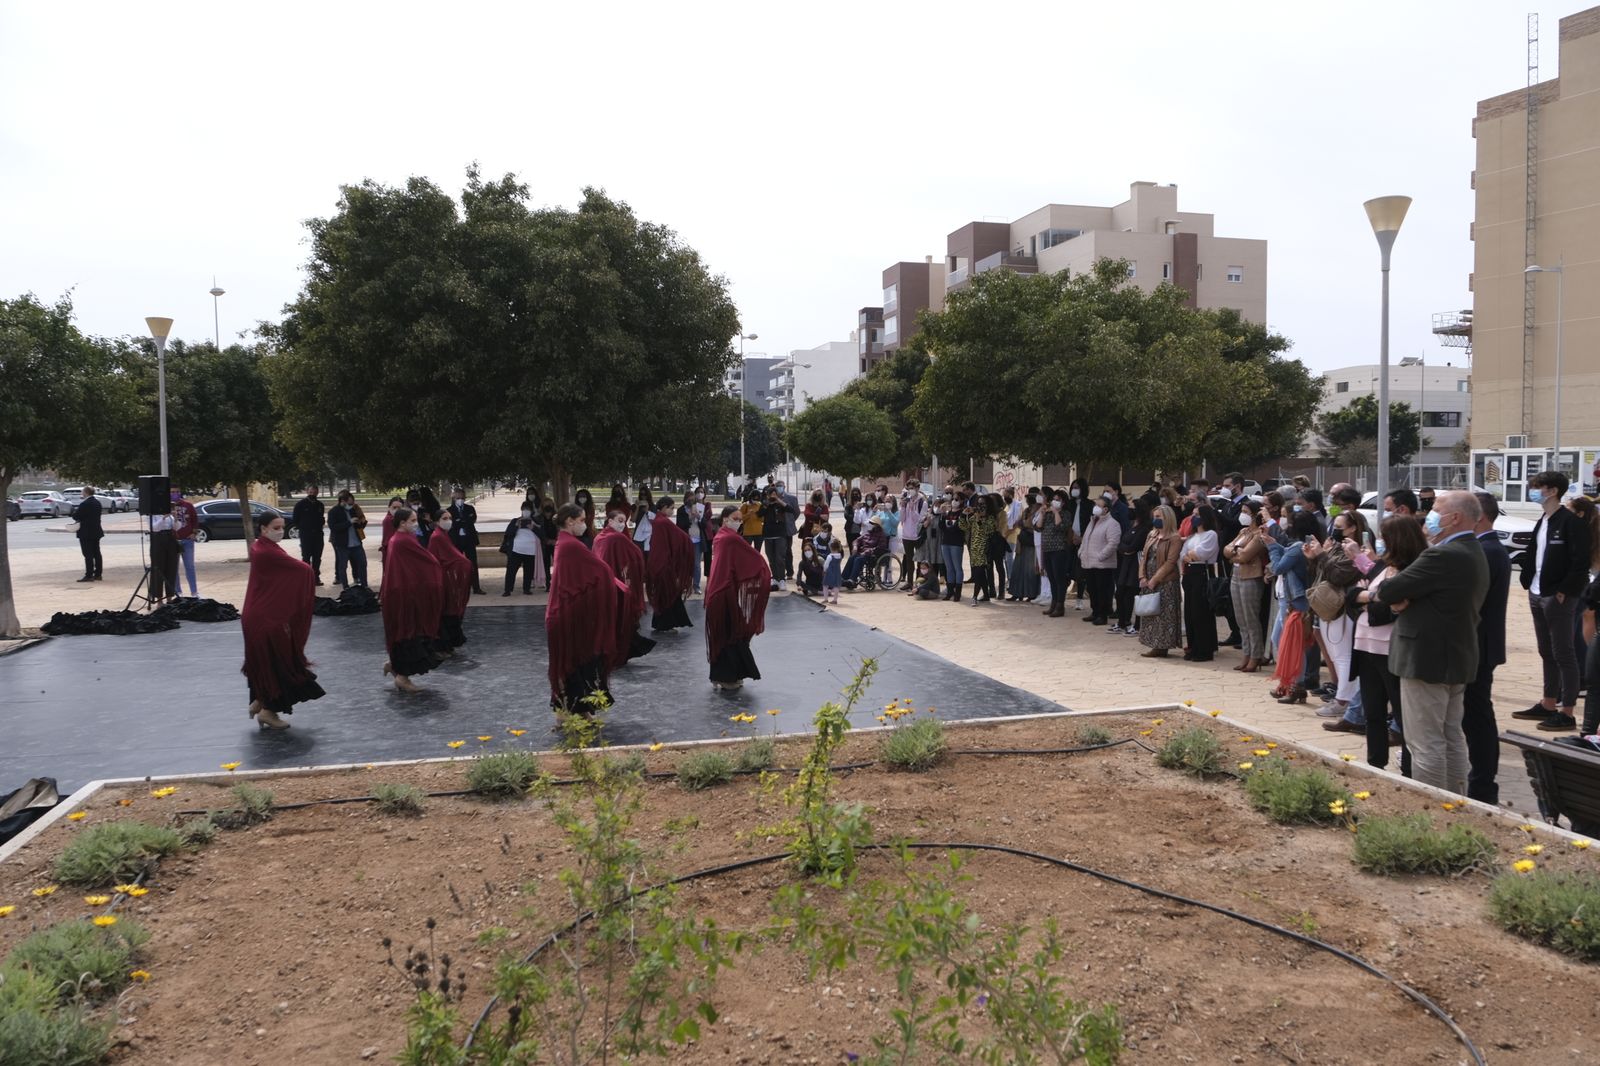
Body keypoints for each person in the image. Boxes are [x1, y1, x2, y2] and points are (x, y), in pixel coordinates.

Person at [1375, 491, 1489, 793]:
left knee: (1425, 743)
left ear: (1455, 518)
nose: (1429, 516)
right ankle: (1456, 803)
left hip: (1426, 658)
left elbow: (1389, 590)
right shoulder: (1472, 550)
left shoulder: (1443, 554)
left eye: (1437, 510)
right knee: (1451, 737)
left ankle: (1432, 813)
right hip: (1453, 656)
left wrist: (1400, 595)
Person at [1510, 469, 1592, 732]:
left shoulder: (1570, 522)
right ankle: (1548, 703)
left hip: (1558, 597)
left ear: (1553, 490)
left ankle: (1566, 711)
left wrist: (1564, 591)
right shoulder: (1543, 520)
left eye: (1537, 487)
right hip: (1537, 593)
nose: (1533, 491)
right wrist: (1527, 581)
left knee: (1563, 653)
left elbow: (1580, 563)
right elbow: (1535, 554)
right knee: (1547, 652)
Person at [1350, 515, 1422, 772]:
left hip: (1391, 648)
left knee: (1404, 715)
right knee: (1373, 712)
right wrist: (1371, 597)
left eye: (1385, 537)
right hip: (1366, 646)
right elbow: (1351, 596)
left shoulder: (1412, 568)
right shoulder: (1383, 566)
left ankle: (1410, 767)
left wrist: (1366, 597)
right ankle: (1375, 762)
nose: (1379, 542)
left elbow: (1391, 608)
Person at [240, 513, 324, 730]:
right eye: (276, 527)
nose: (281, 531)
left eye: (282, 527)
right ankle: (267, 710)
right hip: (264, 619)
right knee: (280, 664)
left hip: (260, 616)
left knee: (271, 663)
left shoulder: (261, 547)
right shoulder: (266, 552)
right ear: (263, 528)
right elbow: (304, 570)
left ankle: (261, 702)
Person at [545, 504, 624, 713]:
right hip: (570, 619)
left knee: (571, 667)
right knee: (577, 666)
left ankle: (567, 712)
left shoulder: (565, 543)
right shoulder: (571, 545)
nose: (584, 524)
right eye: (581, 520)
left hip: (563, 615)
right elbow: (602, 573)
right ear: (570, 521)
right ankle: (575, 712)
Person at [1461, 493, 1510, 800]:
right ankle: (1480, 776)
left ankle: (1483, 783)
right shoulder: (1485, 548)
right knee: (1475, 714)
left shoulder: (1487, 550)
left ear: (1477, 517)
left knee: (1478, 715)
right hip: (1477, 644)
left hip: (1479, 645)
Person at [704, 505, 772, 691]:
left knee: (726, 636)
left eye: (740, 519)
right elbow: (755, 560)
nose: (738, 522)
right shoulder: (730, 539)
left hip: (719, 593)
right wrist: (764, 574)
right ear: (725, 519)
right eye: (735, 518)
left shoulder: (720, 537)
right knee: (730, 637)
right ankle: (726, 678)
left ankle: (724, 676)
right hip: (723, 594)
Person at [381, 507, 444, 693]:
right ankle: (402, 677)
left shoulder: (400, 539)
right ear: (402, 523)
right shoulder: (402, 541)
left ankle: (395, 665)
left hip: (401, 595)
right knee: (409, 634)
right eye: (413, 521)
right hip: (405, 597)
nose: (416, 524)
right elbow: (428, 562)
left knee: (405, 633)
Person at [593, 509, 656, 668]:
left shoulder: (599, 538)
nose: (622, 524)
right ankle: (616, 653)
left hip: (605, 586)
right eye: (619, 520)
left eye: (624, 521)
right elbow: (636, 554)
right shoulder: (615, 538)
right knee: (620, 620)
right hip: (618, 586)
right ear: (610, 521)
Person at [1222, 499, 1269, 671]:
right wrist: (1235, 551)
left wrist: (1234, 552)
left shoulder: (1260, 534)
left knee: (1251, 619)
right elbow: (1226, 549)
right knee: (1240, 619)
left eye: (1246, 512)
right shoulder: (1243, 531)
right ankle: (1246, 653)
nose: (1243, 515)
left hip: (1251, 577)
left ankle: (1256, 655)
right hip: (1236, 575)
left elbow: (1245, 556)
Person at [1138, 504, 1183, 657]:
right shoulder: (1152, 534)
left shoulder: (1174, 538)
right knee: (1150, 612)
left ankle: (1162, 646)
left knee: (1164, 615)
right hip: (1149, 578)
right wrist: (1142, 576)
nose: (1155, 520)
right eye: (1154, 517)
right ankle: (1152, 642)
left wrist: (1155, 579)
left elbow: (1170, 562)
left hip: (1166, 582)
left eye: (1159, 517)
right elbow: (1144, 556)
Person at [646, 497, 695, 632]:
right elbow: (680, 538)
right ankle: (665, 624)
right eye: (671, 508)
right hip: (664, 564)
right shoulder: (662, 522)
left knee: (665, 594)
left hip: (658, 562)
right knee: (668, 594)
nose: (673, 511)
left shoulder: (658, 520)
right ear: (664, 507)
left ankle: (663, 624)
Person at [428, 507, 473, 652]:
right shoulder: (438, 536)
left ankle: (448, 644)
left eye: (450, 518)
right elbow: (448, 557)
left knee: (447, 609)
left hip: (445, 578)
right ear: (436, 521)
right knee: (447, 610)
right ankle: (443, 645)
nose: (448, 522)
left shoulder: (443, 535)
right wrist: (465, 563)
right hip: (443, 580)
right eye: (445, 519)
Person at [1078, 492, 1120, 626]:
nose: (1095, 507)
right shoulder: (1093, 521)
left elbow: (1113, 543)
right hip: (1089, 562)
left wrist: (1101, 556)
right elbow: (1086, 539)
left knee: (1103, 591)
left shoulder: (1112, 523)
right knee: (1092, 589)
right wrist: (1081, 552)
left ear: (1106, 509)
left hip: (1103, 564)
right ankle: (1095, 612)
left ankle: (1103, 615)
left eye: (1098, 505)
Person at [1112, 497, 1151, 634]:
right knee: (1120, 593)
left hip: (1136, 565)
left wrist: (1126, 548)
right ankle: (1122, 622)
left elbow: (1134, 546)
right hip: (1126, 564)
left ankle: (1137, 625)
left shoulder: (1145, 528)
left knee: (1133, 595)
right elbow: (1122, 544)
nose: (1129, 510)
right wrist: (1125, 549)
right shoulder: (1131, 525)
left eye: (1131, 508)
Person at [1037, 489, 1072, 616]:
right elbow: (1039, 527)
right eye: (1054, 499)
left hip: (1059, 550)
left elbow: (1060, 526)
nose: (1055, 502)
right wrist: (1042, 513)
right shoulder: (1048, 513)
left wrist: (1056, 511)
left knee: (1059, 579)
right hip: (1047, 549)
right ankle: (1053, 603)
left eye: (1058, 500)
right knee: (1051, 578)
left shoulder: (1066, 514)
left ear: (1063, 502)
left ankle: (1060, 605)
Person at [500, 500, 546, 596]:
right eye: (524, 509)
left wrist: (533, 527)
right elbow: (508, 534)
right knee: (511, 571)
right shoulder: (515, 521)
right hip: (516, 550)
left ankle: (526, 588)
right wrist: (516, 526)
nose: (526, 511)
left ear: (531, 511)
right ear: (521, 510)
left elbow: (542, 535)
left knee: (528, 571)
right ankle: (507, 589)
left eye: (528, 509)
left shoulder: (536, 522)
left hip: (531, 551)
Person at [328, 490, 369, 589]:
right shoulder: (334, 511)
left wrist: (361, 523)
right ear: (342, 501)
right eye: (349, 503)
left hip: (356, 543)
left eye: (352, 503)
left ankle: (364, 585)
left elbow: (358, 525)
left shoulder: (353, 510)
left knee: (363, 564)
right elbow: (333, 527)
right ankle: (345, 587)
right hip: (342, 544)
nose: (351, 505)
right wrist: (349, 522)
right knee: (343, 566)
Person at [448, 488, 485, 594]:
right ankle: (458, 587)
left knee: (473, 563)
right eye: (458, 498)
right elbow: (452, 525)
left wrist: (460, 521)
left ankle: (476, 587)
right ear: (454, 498)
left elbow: (472, 520)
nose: (460, 500)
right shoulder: (449, 510)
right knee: (457, 565)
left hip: (469, 539)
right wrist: (462, 521)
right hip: (456, 540)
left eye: (462, 498)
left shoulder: (470, 508)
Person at [1011, 489, 1042, 604]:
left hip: (1032, 544)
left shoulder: (1039, 511)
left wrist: (1024, 524)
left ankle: (1031, 594)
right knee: (1018, 569)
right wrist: (1024, 524)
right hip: (1022, 543)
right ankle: (1016, 593)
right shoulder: (1026, 510)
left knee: (1030, 571)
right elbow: (1019, 523)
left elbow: (1029, 524)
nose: (1028, 500)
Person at [937, 493, 968, 602]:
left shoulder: (963, 513)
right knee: (949, 568)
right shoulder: (948, 513)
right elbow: (941, 527)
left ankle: (958, 593)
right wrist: (942, 514)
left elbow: (957, 528)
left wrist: (949, 526)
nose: (954, 501)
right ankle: (950, 591)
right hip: (945, 542)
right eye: (953, 499)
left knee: (957, 568)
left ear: (962, 501)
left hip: (956, 543)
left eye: (957, 499)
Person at [292, 486, 326, 585]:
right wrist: (303, 527)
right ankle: (306, 578)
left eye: (314, 492)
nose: (312, 494)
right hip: (306, 535)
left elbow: (321, 518)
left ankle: (316, 578)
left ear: (317, 493)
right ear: (307, 492)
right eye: (310, 492)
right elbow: (295, 520)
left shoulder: (320, 505)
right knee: (306, 557)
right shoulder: (300, 504)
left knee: (317, 557)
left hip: (318, 535)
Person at [171, 488, 199, 597]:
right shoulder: (167, 506)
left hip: (187, 540)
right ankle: (178, 592)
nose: (175, 494)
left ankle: (194, 592)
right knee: (174, 567)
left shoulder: (188, 505)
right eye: (172, 492)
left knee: (190, 567)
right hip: (173, 541)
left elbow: (195, 520)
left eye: (177, 492)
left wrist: (194, 533)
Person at [148, 506, 179, 604]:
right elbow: (154, 527)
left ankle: (169, 597)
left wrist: (175, 518)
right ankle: (159, 600)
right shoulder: (153, 513)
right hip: (158, 540)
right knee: (158, 569)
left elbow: (177, 527)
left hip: (170, 540)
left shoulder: (170, 514)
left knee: (171, 569)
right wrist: (163, 517)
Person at [74, 486, 104, 583]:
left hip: (86, 532)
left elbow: (76, 515)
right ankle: (98, 574)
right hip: (96, 530)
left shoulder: (85, 503)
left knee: (88, 554)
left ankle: (89, 575)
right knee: (97, 553)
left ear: (86, 492)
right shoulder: (97, 502)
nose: (82, 493)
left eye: (82, 491)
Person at [822, 538, 844, 604]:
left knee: (825, 585)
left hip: (829, 572)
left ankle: (826, 599)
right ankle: (835, 600)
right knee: (836, 586)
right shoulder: (840, 556)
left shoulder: (830, 556)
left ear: (831, 548)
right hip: (837, 572)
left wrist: (824, 570)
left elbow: (826, 565)